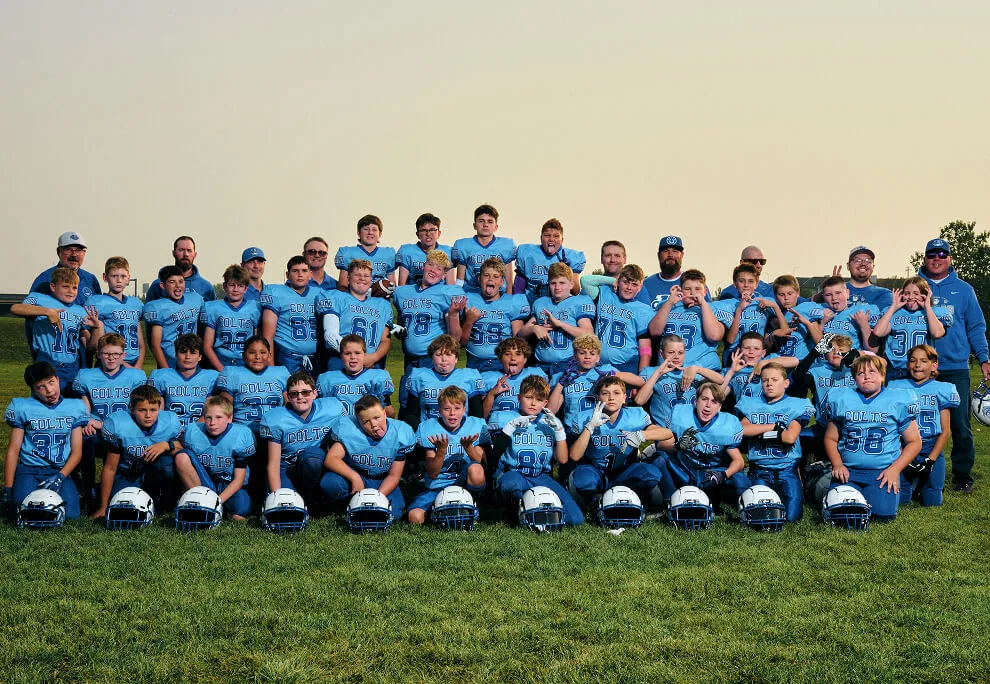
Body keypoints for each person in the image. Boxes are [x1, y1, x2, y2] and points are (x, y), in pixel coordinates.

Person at [917, 237, 990, 493]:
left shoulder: (964, 289)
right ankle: (914, 472)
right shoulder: (915, 287)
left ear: (949, 259)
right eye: (931, 254)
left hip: (954, 365)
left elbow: (976, 327)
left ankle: (962, 476)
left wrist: (984, 358)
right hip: (919, 368)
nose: (936, 258)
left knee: (960, 424)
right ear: (924, 259)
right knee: (915, 422)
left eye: (941, 254)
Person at [824, 355, 921, 522]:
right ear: (854, 378)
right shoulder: (843, 398)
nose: (866, 376)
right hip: (848, 471)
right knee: (841, 515)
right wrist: (837, 464)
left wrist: (894, 470)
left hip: (881, 472)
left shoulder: (897, 400)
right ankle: (820, 483)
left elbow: (914, 442)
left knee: (883, 516)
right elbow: (830, 438)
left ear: (883, 376)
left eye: (872, 372)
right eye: (861, 373)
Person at [488, 375, 584, 526]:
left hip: (541, 476)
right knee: (511, 484)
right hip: (514, 473)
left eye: (539, 400)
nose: (533, 403)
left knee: (576, 519)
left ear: (545, 403)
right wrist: (509, 429)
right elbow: (493, 455)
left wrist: (559, 433)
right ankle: (513, 512)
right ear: (519, 398)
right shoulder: (505, 417)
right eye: (529, 397)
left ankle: (539, 512)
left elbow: (563, 460)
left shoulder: (551, 422)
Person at [567, 376, 675, 508]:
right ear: (597, 398)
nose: (611, 397)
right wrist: (589, 427)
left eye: (616, 393)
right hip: (595, 471)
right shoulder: (584, 417)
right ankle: (594, 500)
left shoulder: (635, 416)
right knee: (583, 479)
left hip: (625, 471)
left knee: (651, 473)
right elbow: (574, 455)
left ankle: (631, 495)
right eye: (605, 393)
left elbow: (667, 433)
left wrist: (642, 435)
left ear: (624, 398)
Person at [3, 362, 89, 522]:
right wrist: (8, 487)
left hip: (58, 470)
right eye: (41, 387)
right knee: (23, 510)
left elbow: (77, 451)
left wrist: (61, 476)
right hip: (29, 470)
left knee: (70, 515)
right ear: (33, 390)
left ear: (57, 379)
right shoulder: (22, 407)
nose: (49, 390)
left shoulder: (75, 407)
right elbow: (13, 451)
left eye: (51, 382)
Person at [72, 333, 147, 508]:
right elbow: (85, 406)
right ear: (98, 354)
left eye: (116, 354)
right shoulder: (86, 375)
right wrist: (86, 421)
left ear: (124, 355)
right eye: (106, 354)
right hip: (97, 428)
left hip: (126, 429)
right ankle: (89, 488)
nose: (111, 358)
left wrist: (105, 425)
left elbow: (139, 410)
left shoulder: (136, 376)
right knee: (85, 440)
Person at [735, 362, 815, 521]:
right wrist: (772, 427)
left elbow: (790, 437)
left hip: (787, 469)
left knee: (792, 517)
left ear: (786, 383)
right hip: (760, 469)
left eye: (774, 379)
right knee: (761, 515)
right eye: (765, 380)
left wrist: (760, 434)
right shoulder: (752, 404)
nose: (769, 383)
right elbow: (742, 430)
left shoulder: (797, 404)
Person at [320, 395, 416, 522]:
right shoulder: (349, 428)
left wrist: (377, 498)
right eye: (366, 421)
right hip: (356, 476)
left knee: (394, 513)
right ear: (358, 422)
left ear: (385, 413)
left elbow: (394, 475)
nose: (374, 424)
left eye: (377, 417)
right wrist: (354, 477)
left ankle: (358, 504)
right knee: (330, 484)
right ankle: (343, 504)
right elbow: (331, 459)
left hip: (381, 479)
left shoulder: (400, 432)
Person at [93, 385, 183, 519]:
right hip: (128, 473)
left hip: (156, 472)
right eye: (142, 410)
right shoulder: (118, 423)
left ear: (160, 407)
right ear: (132, 408)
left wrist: (166, 445)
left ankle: (167, 499)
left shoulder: (170, 421)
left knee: (169, 467)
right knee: (121, 506)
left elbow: (182, 449)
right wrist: (103, 506)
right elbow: (110, 467)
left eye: (153, 410)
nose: (148, 415)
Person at [888, 345, 960, 507]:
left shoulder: (942, 389)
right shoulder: (896, 387)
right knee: (899, 499)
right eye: (913, 361)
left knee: (932, 502)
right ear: (908, 365)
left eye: (923, 361)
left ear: (934, 365)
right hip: (904, 446)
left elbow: (945, 431)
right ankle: (911, 485)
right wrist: (901, 456)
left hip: (931, 446)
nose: (917, 365)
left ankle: (922, 484)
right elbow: (891, 427)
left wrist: (930, 460)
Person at [659, 381, 752, 503]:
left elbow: (739, 461)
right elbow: (660, 445)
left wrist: (723, 475)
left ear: (719, 407)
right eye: (704, 399)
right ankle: (670, 499)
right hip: (684, 469)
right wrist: (678, 446)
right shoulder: (680, 415)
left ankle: (713, 498)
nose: (708, 405)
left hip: (711, 473)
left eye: (714, 402)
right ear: (695, 401)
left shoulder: (728, 425)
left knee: (743, 483)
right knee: (659, 459)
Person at [409, 386, 488, 525]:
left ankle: (474, 503)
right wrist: (441, 451)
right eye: (447, 409)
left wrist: (469, 447)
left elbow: (483, 465)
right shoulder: (428, 427)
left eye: (457, 408)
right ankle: (442, 512)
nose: (452, 413)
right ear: (439, 410)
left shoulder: (476, 424)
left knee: (476, 469)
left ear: (465, 409)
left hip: (465, 486)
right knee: (415, 517)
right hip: (438, 486)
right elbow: (433, 473)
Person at [11, 267, 99, 392]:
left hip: (72, 365)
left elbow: (89, 345)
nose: (70, 291)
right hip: (47, 362)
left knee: (72, 405)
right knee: (47, 404)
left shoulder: (79, 310)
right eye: (65, 287)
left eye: (74, 288)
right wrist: (46, 311)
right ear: (53, 287)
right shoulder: (39, 298)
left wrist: (97, 328)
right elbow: (15, 308)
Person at [260, 371, 345, 497]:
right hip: (287, 468)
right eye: (294, 394)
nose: (300, 397)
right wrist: (275, 496)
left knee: (313, 457)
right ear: (288, 396)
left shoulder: (332, 408)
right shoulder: (275, 419)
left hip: (317, 464)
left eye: (305, 392)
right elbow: (273, 464)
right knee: (283, 502)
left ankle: (315, 498)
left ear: (315, 393)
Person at [175, 395, 254, 520]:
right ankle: (199, 500)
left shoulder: (240, 435)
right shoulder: (193, 431)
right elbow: (177, 448)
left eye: (219, 417)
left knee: (241, 510)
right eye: (208, 418)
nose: (212, 423)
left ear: (230, 418)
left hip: (228, 484)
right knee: (181, 457)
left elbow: (239, 480)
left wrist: (216, 503)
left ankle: (216, 509)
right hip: (204, 482)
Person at [449, 257, 529, 373]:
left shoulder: (512, 303)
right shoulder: (468, 299)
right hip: (474, 363)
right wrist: (469, 321)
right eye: (486, 275)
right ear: (479, 279)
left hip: (501, 363)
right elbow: (460, 343)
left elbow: (519, 339)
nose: (490, 279)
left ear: (502, 282)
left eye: (496, 276)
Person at [547, 333, 642, 432]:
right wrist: (560, 385)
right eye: (582, 353)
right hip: (573, 429)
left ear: (598, 357)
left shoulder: (605, 370)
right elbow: (551, 412)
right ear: (575, 356)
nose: (587, 357)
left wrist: (613, 374)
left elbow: (640, 381)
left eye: (592, 353)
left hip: (600, 429)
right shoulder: (565, 376)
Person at [519, 262, 596, 377]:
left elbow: (588, 334)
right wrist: (534, 328)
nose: (557, 287)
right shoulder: (541, 303)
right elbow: (520, 334)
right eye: (553, 283)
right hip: (541, 365)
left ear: (571, 284)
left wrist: (560, 324)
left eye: (562, 283)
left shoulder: (578, 302)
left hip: (568, 363)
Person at [316, 258, 392, 371]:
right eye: (357, 275)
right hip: (341, 361)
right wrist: (356, 358)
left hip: (371, 364)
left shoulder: (382, 305)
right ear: (348, 278)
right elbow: (330, 335)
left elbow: (385, 340)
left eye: (366, 276)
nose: (362, 278)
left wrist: (374, 357)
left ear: (371, 280)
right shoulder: (336, 298)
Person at [648, 270, 731, 370]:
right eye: (687, 289)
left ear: (705, 292)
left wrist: (703, 305)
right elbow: (654, 331)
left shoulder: (712, 308)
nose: (692, 293)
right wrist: (669, 303)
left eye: (697, 289)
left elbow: (714, 336)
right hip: (668, 370)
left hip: (702, 370)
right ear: (681, 290)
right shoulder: (669, 306)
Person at [871, 277, 951, 380]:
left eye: (916, 294)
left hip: (921, 370)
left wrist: (927, 307)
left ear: (925, 295)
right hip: (896, 370)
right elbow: (878, 332)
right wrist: (893, 307)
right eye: (907, 293)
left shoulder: (933, 313)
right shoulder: (894, 313)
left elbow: (937, 333)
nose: (911, 297)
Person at [401, 335, 484, 431]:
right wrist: (424, 431)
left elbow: (477, 415)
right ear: (432, 358)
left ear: (456, 358)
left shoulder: (469, 377)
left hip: (461, 433)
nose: (444, 359)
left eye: (449, 355)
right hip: (428, 432)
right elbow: (411, 415)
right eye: (439, 355)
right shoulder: (419, 376)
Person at [259, 256, 319, 373]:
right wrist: (271, 369)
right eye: (295, 271)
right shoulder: (276, 293)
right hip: (287, 357)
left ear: (310, 274)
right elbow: (267, 337)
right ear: (287, 274)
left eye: (304, 271)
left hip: (313, 358)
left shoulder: (319, 294)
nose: (300, 274)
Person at [720, 263, 789, 365]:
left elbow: (785, 331)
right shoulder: (728, 304)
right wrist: (739, 310)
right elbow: (730, 340)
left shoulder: (764, 301)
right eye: (741, 281)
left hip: (756, 356)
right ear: (735, 284)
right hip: (734, 357)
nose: (746, 285)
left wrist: (775, 307)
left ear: (756, 284)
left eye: (751, 281)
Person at [591, 264, 655, 373]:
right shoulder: (605, 293)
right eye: (625, 282)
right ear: (618, 282)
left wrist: (641, 377)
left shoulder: (644, 310)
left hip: (627, 367)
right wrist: (612, 280)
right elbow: (585, 281)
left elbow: (645, 348)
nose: (629, 288)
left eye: (634, 284)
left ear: (640, 287)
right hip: (597, 363)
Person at [148, 333, 219, 428]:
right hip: (170, 429)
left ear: (200, 357)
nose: (187, 357)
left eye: (193, 352)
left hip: (201, 429)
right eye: (183, 352)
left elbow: (212, 411)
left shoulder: (212, 377)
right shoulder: (161, 376)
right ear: (176, 354)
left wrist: (191, 431)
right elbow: (157, 412)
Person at [86, 256, 145, 368]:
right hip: (110, 361)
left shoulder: (136, 304)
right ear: (105, 277)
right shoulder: (97, 302)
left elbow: (141, 343)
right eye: (114, 276)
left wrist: (138, 366)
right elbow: (94, 345)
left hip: (134, 360)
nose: (119, 280)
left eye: (123, 276)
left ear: (128, 278)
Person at [316, 335, 395, 417]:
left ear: (364, 355)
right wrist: (327, 403)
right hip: (339, 427)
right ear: (341, 356)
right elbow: (318, 416)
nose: (353, 357)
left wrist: (381, 401)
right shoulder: (327, 379)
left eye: (357, 353)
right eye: (347, 353)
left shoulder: (378, 378)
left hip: (367, 428)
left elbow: (391, 415)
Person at [142, 265, 205, 369]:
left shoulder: (196, 299)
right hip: (170, 362)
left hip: (193, 362)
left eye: (181, 281)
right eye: (172, 282)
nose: (178, 286)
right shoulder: (157, 307)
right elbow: (155, 345)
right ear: (163, 285)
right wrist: (166, 370)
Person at [201, 264, 261, 371]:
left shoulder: (255, 308)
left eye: (240, 285)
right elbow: (207, 346)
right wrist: (222, 370)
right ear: (224, 286)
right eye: (232, 285)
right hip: (221, 361)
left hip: (247, 363)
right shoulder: (213, 308)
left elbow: (257, 343)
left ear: (246, 289)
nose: (235, 289)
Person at [635, 334, 701, 429]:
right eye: (671, 352)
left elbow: (720, 381)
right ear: (661, 354)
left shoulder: (693, 367)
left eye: (680, 353)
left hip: (692, 428)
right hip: (666, 431)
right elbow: (639, 400)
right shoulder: (651, 372)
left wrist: (698, 369)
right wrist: (658, 373)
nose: (676, 357)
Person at [514, 218, 585, 305]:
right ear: (541, 238)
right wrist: (520, 307)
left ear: (562, 240)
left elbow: (575, 291)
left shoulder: (570, 257)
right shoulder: (528, 253)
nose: (551, 239)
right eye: (547, 235)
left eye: (556, 236)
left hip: (558, 307)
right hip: (530, 306)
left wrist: (568, 271)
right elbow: (518, 288)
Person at [451, 204, 516, 292]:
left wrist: (508, 299)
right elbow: (460, 280)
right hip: (471, 293)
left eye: (490, 221)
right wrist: (458, 295)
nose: (485, 225)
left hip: (498, 294)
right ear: (474, 225)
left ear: (496, 226)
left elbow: (508, 280)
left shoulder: (506, 245)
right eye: (481, 221)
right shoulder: (463, 245)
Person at [29, 231, 102, 305]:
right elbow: (29, 308)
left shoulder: (90, 279)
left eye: (79, 250)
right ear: (58, 252)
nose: (74, 255)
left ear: (84, 253)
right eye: (69, 249)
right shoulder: (45, 278)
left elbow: (99, 308)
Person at [481, 338, 546, 418]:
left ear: (525, 359)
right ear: (500, 358)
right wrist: (491, 394)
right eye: (507, 354)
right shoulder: (487, 378)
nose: (513, 358)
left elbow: (547, 408)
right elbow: (480, 417)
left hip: (528, 427)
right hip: (499, 426)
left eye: (518, 354)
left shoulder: (536, 375)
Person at [766, 275, 823, 359]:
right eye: (781, 294)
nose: (786, 298)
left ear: (798, 293)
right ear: (775, 296)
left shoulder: (805, 309)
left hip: (801, 362)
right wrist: (772, 335)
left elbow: (822, 345)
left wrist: (807, 323)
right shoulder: (772, 314)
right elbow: (765, 348)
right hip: (780, 361)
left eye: (790, 293)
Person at [335, 214, 397, 290]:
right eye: (366, 229)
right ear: (358, 233)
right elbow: (343, 284)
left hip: (380, 299)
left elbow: (392, 284)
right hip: (354, 298)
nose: (370, 232)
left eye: (374, 229)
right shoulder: (347, 253)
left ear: (380, 234)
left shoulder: (388, 254)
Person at [145, 236, 216, 302]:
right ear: (174, 253)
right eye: (181, 250)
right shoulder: (158, 285)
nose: (186, 254)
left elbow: (212, 313)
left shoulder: (206, 287)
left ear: (195, 254)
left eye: (189, 250)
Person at [819, 275, 880, 351]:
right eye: (828, 295)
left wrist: (864, 325)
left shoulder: (860, 311)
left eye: (838, 293)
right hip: (823, 361)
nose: (834, 298)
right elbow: (815, 345)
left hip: (850, 361)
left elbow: (873, 350)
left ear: (847, 293)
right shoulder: (819, 311)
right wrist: (822, 323)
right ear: (823, 297)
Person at [396, 212, 455, 286]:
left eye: (432, 229)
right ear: (417, 234)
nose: (428, 234)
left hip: (439, 295)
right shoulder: (407, 251)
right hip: (414, 295)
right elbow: (402, 286)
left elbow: (451, 286)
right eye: (424, 230)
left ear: (439, 233)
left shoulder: (447, 251)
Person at [638, 235, 686, 309]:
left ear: (682, 255)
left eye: (675, 251)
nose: (670, 255)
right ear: (658, 255)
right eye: (666, 251)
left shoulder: (694, 284)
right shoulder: (646, 284)